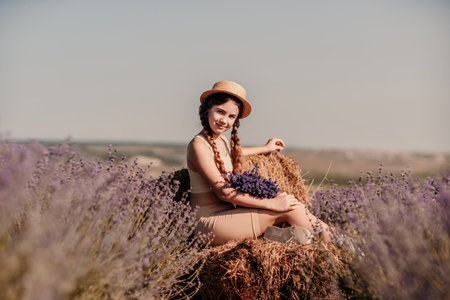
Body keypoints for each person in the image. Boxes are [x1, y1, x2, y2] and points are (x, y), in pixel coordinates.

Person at [187, 80, 332, 245]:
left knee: (289, 201)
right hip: (209, 224)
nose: (224, 120)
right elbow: (224, 193)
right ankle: (342, 247)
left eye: (231, 116)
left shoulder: (222, 141)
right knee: (288, 209)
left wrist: (265, 147)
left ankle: (290, 237)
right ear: (207, 110)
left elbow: (236, 154)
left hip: (228, 214)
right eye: (220, 112)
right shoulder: (198, 145)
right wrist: (272, 204)